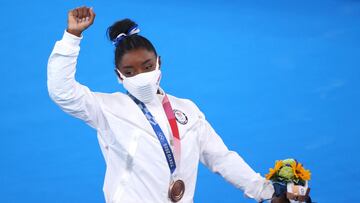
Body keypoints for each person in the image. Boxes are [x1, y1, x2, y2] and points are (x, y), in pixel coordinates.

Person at [47, 6, 292, 203]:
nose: (141, 76)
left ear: (159, 63)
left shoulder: (188, 110)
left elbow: (221, 158)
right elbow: (62, 92)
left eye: (147, 66)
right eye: (129, 71)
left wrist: (268, 192)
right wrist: (72, 37)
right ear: (118, 76)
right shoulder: (107, 109)